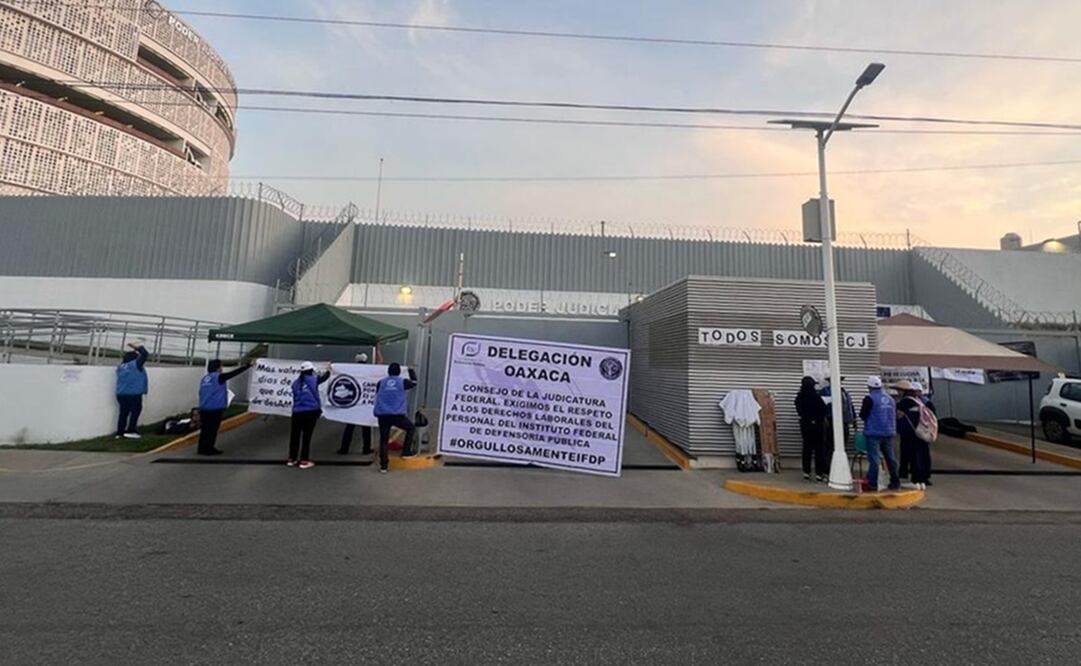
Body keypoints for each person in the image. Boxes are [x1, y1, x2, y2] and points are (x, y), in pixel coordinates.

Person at [197, 358, 253, 456]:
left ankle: (201, 448)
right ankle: (209, 449)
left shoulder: (205, 378)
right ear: (217, 368)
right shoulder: (219, 377)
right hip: (215, 408)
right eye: (221, 366)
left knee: (205, 429)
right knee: (212, 430)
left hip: (204, 407)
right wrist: (248, 366)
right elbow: (233, 373)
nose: (222, 368)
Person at [373, 362, 418, 473]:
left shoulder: (381, 383)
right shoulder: (402, 382)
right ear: (399, 372)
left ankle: (384, 466)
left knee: (383, 439)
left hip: (382, 414)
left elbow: (378, 393)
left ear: (388, 371)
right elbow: (414, 382)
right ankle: (406, 452)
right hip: (396, 414)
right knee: (410, 428)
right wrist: (411, 371)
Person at [859, 375, 901, 491]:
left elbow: (863, 415)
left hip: (873, 433)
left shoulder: (869, 398)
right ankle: (895, 481)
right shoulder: (891, 399)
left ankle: (872, 483)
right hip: (888, 432)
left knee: (874, 459)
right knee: (890, 458)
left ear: (869, 386)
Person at [288, 361, 330, 469]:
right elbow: (325, 377)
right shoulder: (313, 380)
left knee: (295, 436)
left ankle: (292, 459)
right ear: (311, 370)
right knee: (306, 437)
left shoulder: (295, 383)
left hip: (297, 412)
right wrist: (329, 368)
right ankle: (304, 461)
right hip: (310, 412)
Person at [901, 380, 935, 490]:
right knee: (923, 455)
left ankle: (915, 479)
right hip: (923, 432)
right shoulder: (926, 403)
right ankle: (924, 478)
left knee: (911, 456)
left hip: (911, 434)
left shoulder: (906, 402)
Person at [794, 376, 829, 482]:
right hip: (818, 425)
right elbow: (824, 410)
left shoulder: (799, 397)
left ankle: (806, 472)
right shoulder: (816, 397)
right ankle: (819, 473)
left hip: (805, 425)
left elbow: (799, 410)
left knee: (807, 448)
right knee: (819, 450)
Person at [338, 353, 373, 456]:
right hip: (364, 402)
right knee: (366, 427)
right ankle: (366, 448)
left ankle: (344, 448)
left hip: (353, 402)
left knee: (349, 426)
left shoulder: (352, 370)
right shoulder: (370, 370)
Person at [115, 340, 149, 439]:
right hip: (134, 394)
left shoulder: (121, 367)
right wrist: (137, 347)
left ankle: (120, 433)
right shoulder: (135, 365)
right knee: (135, 411)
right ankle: (131, 430)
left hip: (121, 393)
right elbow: (145, 354)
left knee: (123, 413)